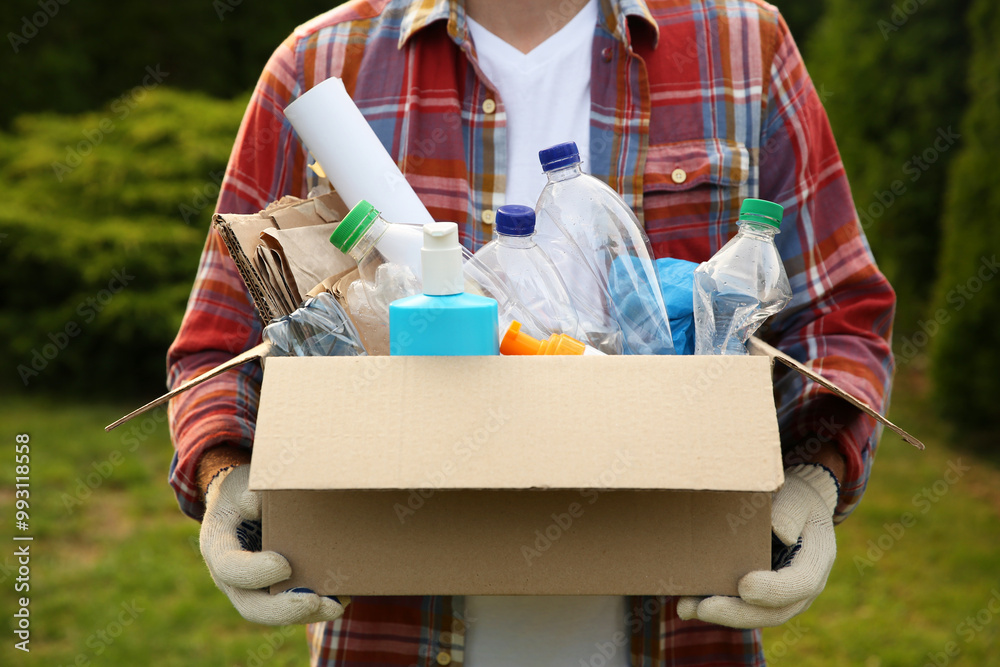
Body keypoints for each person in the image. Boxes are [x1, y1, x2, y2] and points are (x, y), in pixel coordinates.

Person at [167, 0, 896, 664]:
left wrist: (815, 476)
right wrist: (225, 473)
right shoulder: (323, 61)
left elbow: (840, 315)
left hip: (681, 627)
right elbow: (222, 337)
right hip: (393, 630)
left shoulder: (741, 46)